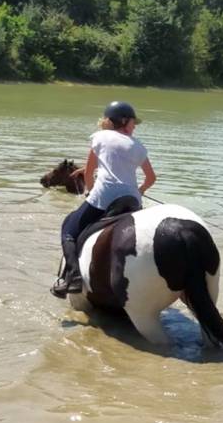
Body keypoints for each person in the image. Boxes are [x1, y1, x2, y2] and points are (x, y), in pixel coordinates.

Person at [51, 100, 156, 297]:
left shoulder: (100, 137)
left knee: (69, 229)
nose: (134, 127)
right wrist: (139, 191)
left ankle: (73, 276)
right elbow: (151, 178)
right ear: (124, 121)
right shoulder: (138, 146)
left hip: (105, 197)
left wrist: (90, 192)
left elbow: (89, 173)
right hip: (132, 200)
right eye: (134, 123)